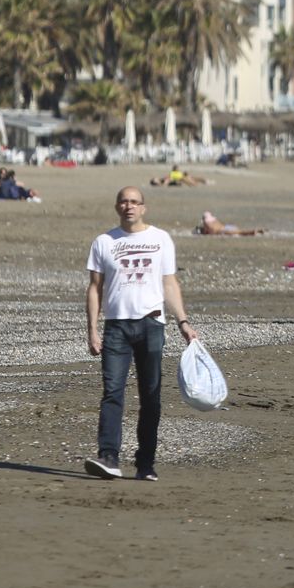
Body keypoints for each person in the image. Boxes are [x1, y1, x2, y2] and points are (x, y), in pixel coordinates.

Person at [84, 185, 198, 481]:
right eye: (123, 201)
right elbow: (95, 288)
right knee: (112, 392)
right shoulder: (104, 242)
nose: (129, 206)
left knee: (151, 396)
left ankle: (145, 463)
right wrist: (92, 330)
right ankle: (108, 456)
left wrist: (183, 322)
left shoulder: (160, 239)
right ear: (116, 206)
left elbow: (169, 284)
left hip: (152, 324)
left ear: (143, 208)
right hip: (117, 327)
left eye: (135, 202)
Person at [194, 210, 263, 236]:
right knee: (239, 231)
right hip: (226, 226)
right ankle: (255, 231)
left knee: (240, 232)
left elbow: (208, 231)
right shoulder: (213, 220)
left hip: (223, 230)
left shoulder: (207, 225)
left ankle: (252, 232)